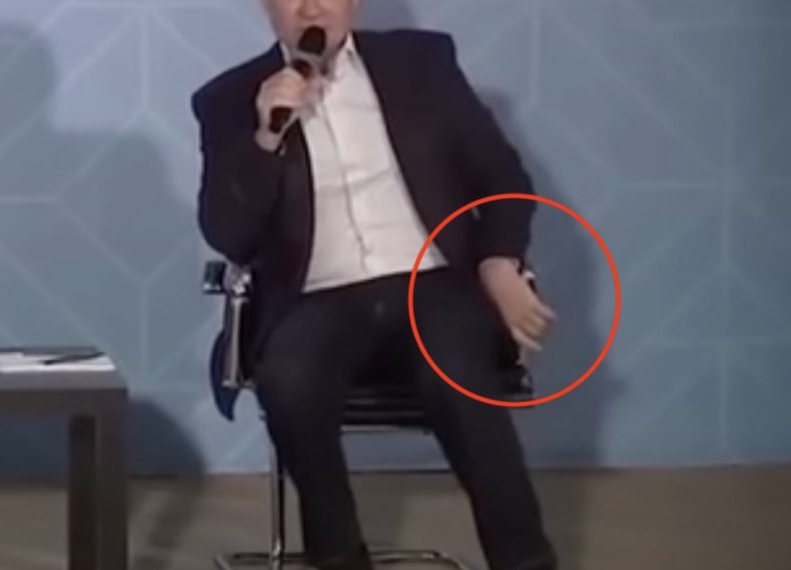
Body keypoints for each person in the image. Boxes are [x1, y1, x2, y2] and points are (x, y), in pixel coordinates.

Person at [191, 1, 559, 569]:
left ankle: (524, 562)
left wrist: (498, 262)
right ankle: (338, 559)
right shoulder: (229, 99)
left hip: (430, 283)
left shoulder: (422, 62)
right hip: (317, 298)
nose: (311, 7)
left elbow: (501, 176)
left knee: (457, 377)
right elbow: (229, 233)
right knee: (288, 381)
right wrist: (265, 138)